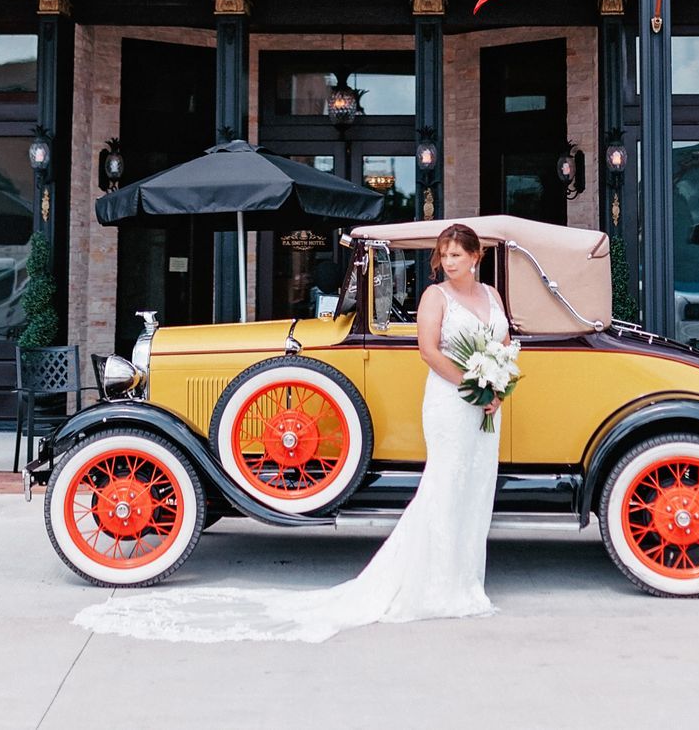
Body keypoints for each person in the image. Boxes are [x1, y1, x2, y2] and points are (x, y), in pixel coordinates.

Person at [70, 223, 509, 643]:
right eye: (445, 255)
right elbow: (429, 349)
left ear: (475, 256)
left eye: (456, 255)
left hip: (481, 404)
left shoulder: (490, 296)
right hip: (456, 401)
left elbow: (497, 346)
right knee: (447, 486)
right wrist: (477, 384)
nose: (449, 261)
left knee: (472, 488)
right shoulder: (437, 296)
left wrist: (493, 389)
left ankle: (461, 579)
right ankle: (439, 581)